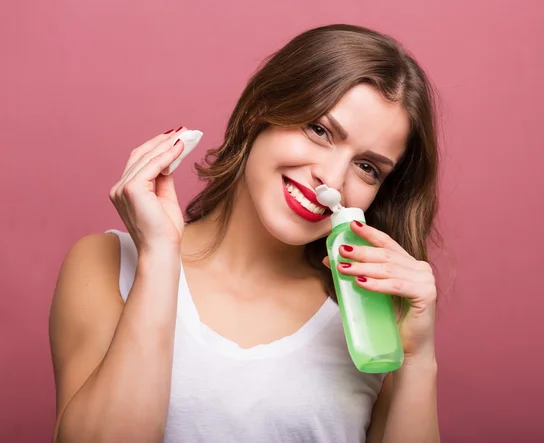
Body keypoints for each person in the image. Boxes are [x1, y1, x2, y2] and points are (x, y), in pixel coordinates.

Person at [49, 24, 441, 443]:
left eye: (367, 167)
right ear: (261, 110)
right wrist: (161, 258)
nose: (331, 178)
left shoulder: (372, 319)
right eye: (320, 130)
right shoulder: (107, 264)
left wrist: (418, 361)